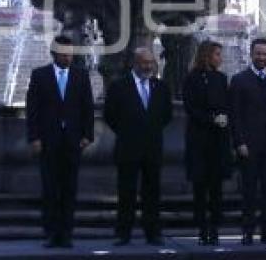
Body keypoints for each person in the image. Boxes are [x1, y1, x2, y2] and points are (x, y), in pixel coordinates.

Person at [25, 36, 95, 248]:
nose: (68, 57)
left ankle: (66, 233)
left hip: (73, 142)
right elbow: (33, 110)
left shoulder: (81, 76)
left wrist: (87, 136)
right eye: (64, 53)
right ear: (54, 54)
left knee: (69, 188)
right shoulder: (40, 75)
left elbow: (87, 108)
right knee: (49, 188)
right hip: (48, 141)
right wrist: (34, 137)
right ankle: (51, 232)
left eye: (70, 53)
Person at [104, 47, 173, 246]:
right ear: (135, 63)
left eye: (151, 62)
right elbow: (110, 115)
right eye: (144, 62)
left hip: (152, 147)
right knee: (126, 193)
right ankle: (123, 233)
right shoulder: (119, 86)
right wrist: (127, 131)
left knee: (152, 193)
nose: (148, 66)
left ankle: (153, 232)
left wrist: (150, 130)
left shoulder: (161, 87)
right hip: (127, 147)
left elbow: (166, 115)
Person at [229, 38, 266, 245]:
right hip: (248, 144)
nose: (261, 57)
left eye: (265, 54)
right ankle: (247, 231)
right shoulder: (239, 79)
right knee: (249, 190)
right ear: (251, 55)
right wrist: (239, 142)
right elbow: (235, 114)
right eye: (258, 53)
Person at [182, 40, 232, 245]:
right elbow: (190, 106)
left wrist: (224, 116)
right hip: (199, 140)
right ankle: (202, 228)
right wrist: (211, 119)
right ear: (207, 56)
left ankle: (215, 228)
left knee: (216, 187)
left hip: (218, 140)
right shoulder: (192, 79)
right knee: (200, 187)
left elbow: (226, 103)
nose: (220, 58)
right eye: (217, 54)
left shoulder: (221, 78)